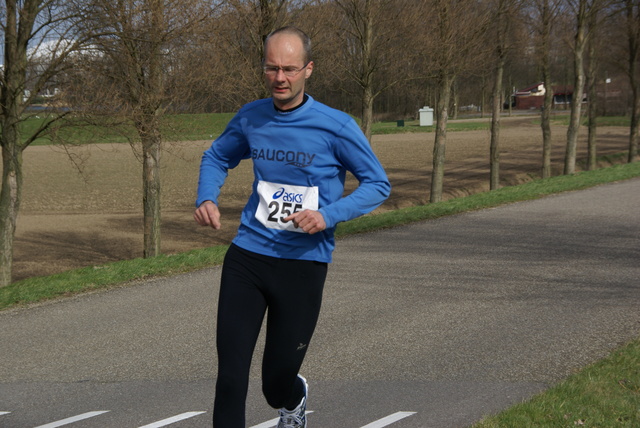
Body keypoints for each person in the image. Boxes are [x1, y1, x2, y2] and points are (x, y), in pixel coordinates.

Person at [194, 26, 390, 428]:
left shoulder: (335, 126)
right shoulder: (251, 116)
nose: (280, 78)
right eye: (271, 68)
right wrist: (207, 197)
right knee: (230, 378)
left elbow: (377, 184)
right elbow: (216, 157)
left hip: (303, 263)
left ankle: (294, 397)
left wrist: (327, 215)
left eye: (289, 68)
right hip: (248, 257)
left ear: (308, 70)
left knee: (274, 384)